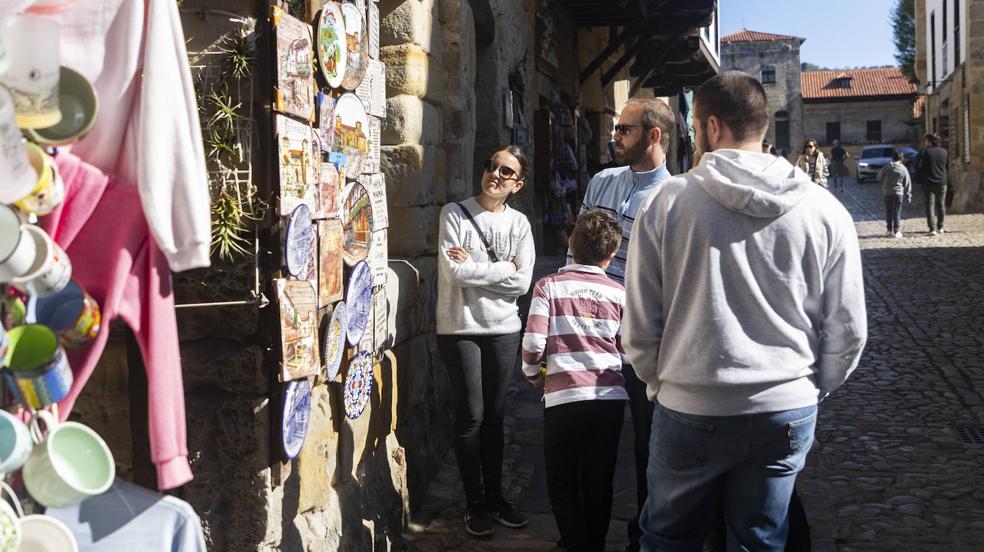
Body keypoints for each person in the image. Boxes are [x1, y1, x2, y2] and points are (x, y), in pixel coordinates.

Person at [623, 71, 868, 551]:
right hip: (785, 406)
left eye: (694, 127)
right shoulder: (825, 209)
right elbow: (848, 329)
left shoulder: (667, 204)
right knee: (760, 540)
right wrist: (809, 388)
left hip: (691, 402)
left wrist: (662, 383)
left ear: (712, 127)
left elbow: (638, 323)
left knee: (670, 538)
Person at [570, 97, 675, 552]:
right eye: (616, 128)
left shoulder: (674, 198)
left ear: (653, 136)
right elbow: (577, 249)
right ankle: (586, 535)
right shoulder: (602, 181)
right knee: (589, 442)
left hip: (641, 342)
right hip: (588, 339)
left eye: (624, 130)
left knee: (649, 444)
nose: (614, 136)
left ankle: (644, 534)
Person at [436, 145, 535, 538]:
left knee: (495, 417)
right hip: (460, 327)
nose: (495, 174)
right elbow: (453, 273)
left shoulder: (520, 225)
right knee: (471, 415)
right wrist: (502, 267)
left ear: (517, 184)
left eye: (505, 171)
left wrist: (477, 267)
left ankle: (496, 497)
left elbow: (523, 281)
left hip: (503, 328)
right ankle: (474, 501)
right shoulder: (454, 213)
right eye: (491, 166)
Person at [523, 209, 629, 552]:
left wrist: (533, 374)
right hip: (609, 398)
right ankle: (593, 544)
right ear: (612, 254)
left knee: (562, 480)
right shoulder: (619, 292)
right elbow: (628, 349)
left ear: (571, 243)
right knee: (599, 479)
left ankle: (574, 542)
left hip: (565, 398)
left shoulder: (549, 286)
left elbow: (534, 343)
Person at [915, 133, 949, 235]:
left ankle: (932, 228)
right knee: (941, 204)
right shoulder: (944, 152)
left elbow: (919, 167)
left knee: (930, 205)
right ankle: (941, 227)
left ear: (929, 141)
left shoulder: (924, 152)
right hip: (942, 181)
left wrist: (919, 179)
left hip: (928, 182)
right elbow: (946, 167)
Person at [877, 149, 913, 238]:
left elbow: (879, 177)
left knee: (888, 211)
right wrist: (908, 194)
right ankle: (897, 231)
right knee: (897, 211)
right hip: (898, 193)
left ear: (892, 157)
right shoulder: (903, 168)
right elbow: (907, 182)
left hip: (887, 192)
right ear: (901, 159)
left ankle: (889, 230)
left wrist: (884, 183)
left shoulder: (886, 167)